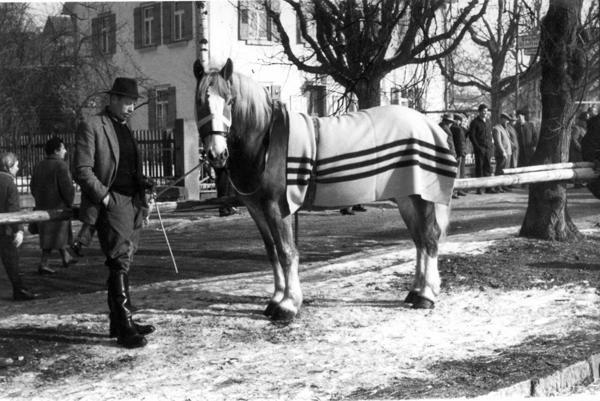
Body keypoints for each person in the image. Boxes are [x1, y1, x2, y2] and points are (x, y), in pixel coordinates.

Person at [73, 77, 155, 349]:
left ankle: (119, 320)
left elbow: (128, 165)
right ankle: (124, 326)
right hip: (113, 201)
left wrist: (144, 186)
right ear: (114, 99)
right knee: (119, 259)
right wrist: (105, 197)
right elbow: (82, 170)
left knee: (125, 259)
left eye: (134, 102)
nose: (132, 107)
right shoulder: (93, 125)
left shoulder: (125, 127)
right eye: (129, 102)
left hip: (133, 200)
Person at [30, 137, 76, 275]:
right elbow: (67, 188)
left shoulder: (40, 165)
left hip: (42, 206)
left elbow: (32, 186)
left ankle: (66, 257)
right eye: (63, 148)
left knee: (52, 236)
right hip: (58, 207)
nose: (65, 151)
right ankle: (43, 263)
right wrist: (70, 202)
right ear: (56, 151)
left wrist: (40, 199)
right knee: (54, 236)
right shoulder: (61, 166)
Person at [0, 152, 36, 301]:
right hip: (6, 230)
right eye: (16, 165)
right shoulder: (9, 183)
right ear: (9, 167)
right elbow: (14, 209)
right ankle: (19, 289)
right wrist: (19, 230)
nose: (18, 168)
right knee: (11, 262)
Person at [467, 104, 494, 194]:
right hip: (480, 149)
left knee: (488, 168)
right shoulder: (474, 122)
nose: (485, 113)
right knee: (479, 168)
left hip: (488, 148)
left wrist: (491, 146)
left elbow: (490, 135)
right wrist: (477, 147)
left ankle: (488, 187)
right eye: (483, 111)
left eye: (486, 111)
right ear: (479, 112)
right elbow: (472, 136)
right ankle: (480, 188)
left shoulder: (488, 122)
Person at [492, 113, 514, 193]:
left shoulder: (505, 128)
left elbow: (508, 140)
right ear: (501, 119)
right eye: (506, 120)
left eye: (508, 120)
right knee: (500, 170)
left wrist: (512, 146)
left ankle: (504, 185)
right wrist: (503, 151)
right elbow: (498, 142)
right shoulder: (497, 128)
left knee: (506, 170)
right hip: (502, 153)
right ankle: (498, 186)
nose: (507, 122)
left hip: (508, 152)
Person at [451, 114, 468, 197]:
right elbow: (460, 142)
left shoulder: (459, 128)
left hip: (461, 152)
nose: (460, 122)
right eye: (459, 120)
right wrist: (461, 152)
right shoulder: (456, 129)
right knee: (458, 172)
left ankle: (459, 189)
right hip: (459, 152)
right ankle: (456, 191)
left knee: (461, 171)